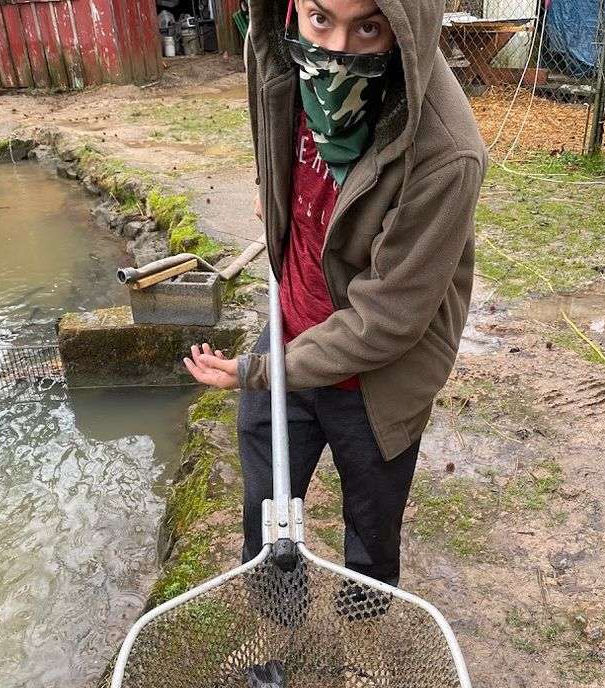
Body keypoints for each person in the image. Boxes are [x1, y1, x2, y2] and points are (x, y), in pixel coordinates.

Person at [184, 0, 486, 588]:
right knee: (266, 516)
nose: (335, 51)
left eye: (368, 27)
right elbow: (275, 149)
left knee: (371, 535)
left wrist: (259, 371)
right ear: (291, 7)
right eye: (320, 18)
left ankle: (364, 630)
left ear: (402, 30)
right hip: (290, 324)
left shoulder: (448, 154)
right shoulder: (281, 58)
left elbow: (388, 321)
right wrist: (272, 193)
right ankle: (277, 627)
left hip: (376, 380)